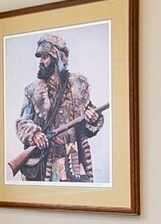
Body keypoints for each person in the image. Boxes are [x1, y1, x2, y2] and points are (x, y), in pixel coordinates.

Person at [14, 33, 102, 182]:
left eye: (45, 57)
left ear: (57, 58)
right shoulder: (32, 90)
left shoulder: (78, 85)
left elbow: (89, 111)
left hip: (75, 156)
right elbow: (22, 123)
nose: (41, 62)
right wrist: (34, 134)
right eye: (40, 57)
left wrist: (93, 118)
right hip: (46, 158)